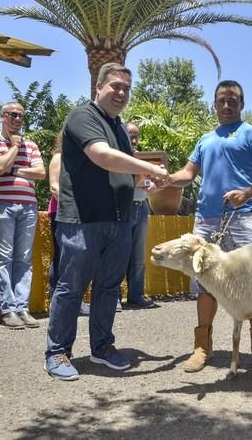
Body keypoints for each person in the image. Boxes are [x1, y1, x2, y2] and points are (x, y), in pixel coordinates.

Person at [44, 63, 169, 381]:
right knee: (71, 287)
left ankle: (101, 347)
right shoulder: (83, 116)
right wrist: (151, 169)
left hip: (120, 221)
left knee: (109, 288)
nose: (121, 93)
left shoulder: (119, 127)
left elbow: (126, 173)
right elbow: (101, 156)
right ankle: (57, 351)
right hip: (83, 221)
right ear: (98, 87)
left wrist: (147, 183)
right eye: (115, 86)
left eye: (126, 88)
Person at [165, 80, 252, 374]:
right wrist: (164, 179)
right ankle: (202, 347)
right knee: (205, 283)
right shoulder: (205, 140)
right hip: (206, 221)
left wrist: (248, 193)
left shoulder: (251, 134)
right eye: (222, 101)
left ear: (242, 104)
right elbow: (187, 174)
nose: (227, 106)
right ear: (214, 104)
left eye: (233, 101)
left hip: (242, 220)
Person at [0, 102, 45, 329]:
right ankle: (8, 309)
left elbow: (40, 173)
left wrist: (14, 169)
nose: (18, 119)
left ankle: (22, 307)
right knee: (3, 258)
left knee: (23, 259)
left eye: (21, 116)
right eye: (13, 115)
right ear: (2, 116)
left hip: (27, 206)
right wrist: (15, 149)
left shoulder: (32, 145)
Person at [47, 133, 91, 316]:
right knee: (61, 257)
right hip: (62, 214)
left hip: (81, 216)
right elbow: (54, 187)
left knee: (78, 259)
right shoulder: (59, 157)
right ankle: (56, 301)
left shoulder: (84, 159)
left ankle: (76, 300)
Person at [122, 122, 155, 309]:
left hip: (141, 206)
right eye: (130, 135)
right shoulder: (117, 156)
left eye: (136, 136)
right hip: (123, 207)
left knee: (138, 255)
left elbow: (150, 181)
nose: (134, 139)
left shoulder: (145, 158)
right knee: (117, 253)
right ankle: (114, 297)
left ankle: (136, 295)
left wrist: (153, 184)